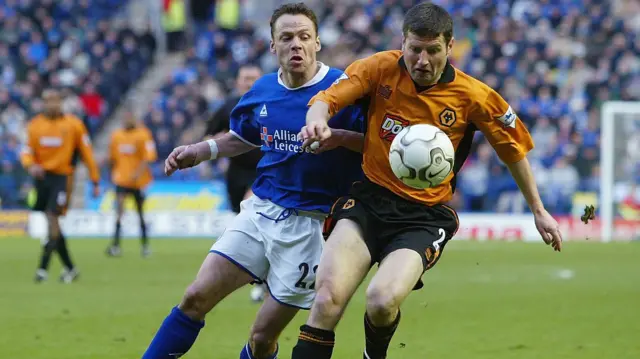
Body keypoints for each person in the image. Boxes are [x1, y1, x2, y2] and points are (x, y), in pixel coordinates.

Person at [292, 3, 564, 359]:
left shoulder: (474, 96)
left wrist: (538, 209)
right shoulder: (379, 68)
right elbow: (327, 99)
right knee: (327, 298)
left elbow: (513, 151)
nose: (421, 60)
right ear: (402, 43)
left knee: (381, 300)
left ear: (449, 48)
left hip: (423, 216)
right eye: (414, 49)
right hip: (369, 201)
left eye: (432, 50)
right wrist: (317, 119)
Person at [141, 3, 366, 359]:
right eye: (287, 38)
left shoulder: (345, 90)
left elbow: (376, 145)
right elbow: (243, 136)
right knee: (194, 297)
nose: (296, 45)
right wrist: (198, 151)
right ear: (273, 46)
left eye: (304, 37)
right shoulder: (263, 90)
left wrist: (338, 137)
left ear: (318, 43)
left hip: (311, 228)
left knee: (262, 339)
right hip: (260, 213)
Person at [20, 89, 101, 283]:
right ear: (42, 103)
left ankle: (42, 268)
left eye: (55, 101)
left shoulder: (74, 125)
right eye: (48, 101)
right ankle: (70, 269)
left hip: (63, 177)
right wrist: (31, 165)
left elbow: (87, 153)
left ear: (61, 103)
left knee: (52, 217)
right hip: (42, 178)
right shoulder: (35, 126)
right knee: (52, 222)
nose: (52, 105)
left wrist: (95, 180)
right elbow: (26, 151)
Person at [204, 64, 267, 302]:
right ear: (238, 82)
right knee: (243, 219)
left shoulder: (271, 102)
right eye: (245, 78)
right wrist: (218, 147)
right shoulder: (230, 106)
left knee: (248, 212)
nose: (249, 82)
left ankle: (256, 277)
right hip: (235, 173)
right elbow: (208, 135)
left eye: (254, 78)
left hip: (264, 173)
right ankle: (263, 272)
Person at [105, 110, 157, 257]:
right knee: (119, 212)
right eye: (125, 118)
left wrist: (138, 173)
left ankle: (145, 246)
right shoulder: (116, 136)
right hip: (121, 179)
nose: (127, 121)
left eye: (130, 118)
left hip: (138, 182)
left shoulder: (143, 134)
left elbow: (149, 157)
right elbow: (112, 158)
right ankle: (115, 246)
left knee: (140, 213)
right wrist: (111, 175)